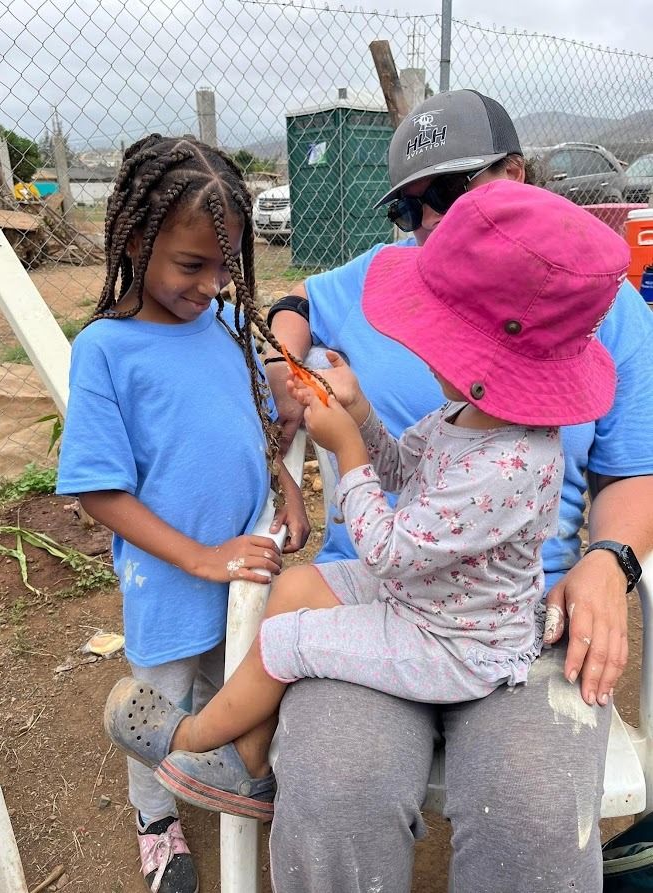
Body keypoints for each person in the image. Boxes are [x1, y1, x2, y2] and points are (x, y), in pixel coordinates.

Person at [102, 181, 631, 829]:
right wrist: (359, 412)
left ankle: (188, 738)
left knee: (286, 642)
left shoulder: (514, 464)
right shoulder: (472, 415)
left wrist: (348, 450)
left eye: (438, 336)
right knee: (294, 589)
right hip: (429, 597)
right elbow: (406, 470)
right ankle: (249, 763)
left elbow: (390, 550)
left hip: (454, 643)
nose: (422, 347)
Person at [257, 90, 653, 892]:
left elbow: (634, 469)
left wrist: (610, 560)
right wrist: (285, 363)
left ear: (517, 174)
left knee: (532, 826)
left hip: (522, 609)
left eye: (448, 191)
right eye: (408, 207)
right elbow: (295, 300)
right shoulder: (386, 277)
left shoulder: (594, 308)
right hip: (374, 592)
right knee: (336, 796)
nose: (427, 220)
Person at [56, 135, 310, 893]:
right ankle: (155, 820)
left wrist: (286, 487)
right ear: (136, 239)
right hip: (170, 581)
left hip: (244, 570)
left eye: (224, 266)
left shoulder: (224, 332)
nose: (209, 286)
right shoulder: (107, 348)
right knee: (157, 710)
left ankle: (229, 773)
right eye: (191, 265)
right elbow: (98, 489)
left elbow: (259, 423)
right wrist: (199, 557)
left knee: (233, 682)